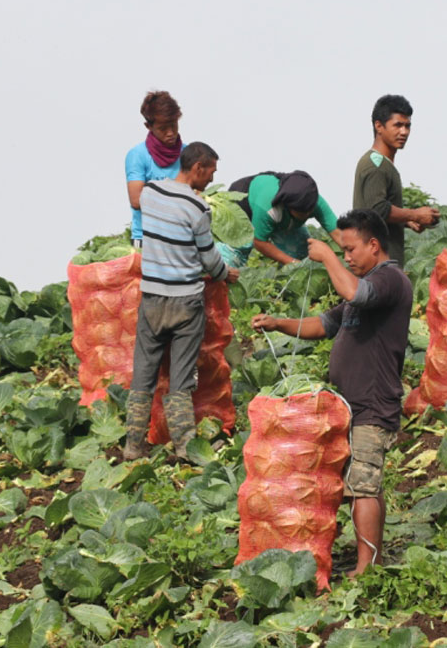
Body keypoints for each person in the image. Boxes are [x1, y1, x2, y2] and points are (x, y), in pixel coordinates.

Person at [251, 209, 411, 576]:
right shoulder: (365, 289)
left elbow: (352, 291)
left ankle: (365, 569)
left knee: (362, 487)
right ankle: (370, 560)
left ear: (374, 245)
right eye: (344, 250)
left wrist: (326, 257)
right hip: (349, 405)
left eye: (351, 249)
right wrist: (278, 324)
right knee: (363, 484)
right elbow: (323, 325)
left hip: (372, 403)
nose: (348, 257)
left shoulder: (389, 280)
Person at [124, 142, 240, 462]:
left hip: (152, 299)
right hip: (186, 303)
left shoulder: (149, 194)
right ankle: (184, 446)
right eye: (211, 171)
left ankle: (133, 446)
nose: (211, 178)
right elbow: (208, 259)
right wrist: (225, 274)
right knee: (181, 379)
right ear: (198, 168)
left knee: (143, 376)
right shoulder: (197, 209)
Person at [352, 94, 441, 264]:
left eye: (408, 126)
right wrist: (415, 214)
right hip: (376, 265)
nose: (404, 132)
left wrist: (407, 221)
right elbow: (377, 209)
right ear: (379, 126)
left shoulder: (383, 164)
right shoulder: (375, 165)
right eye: (398, 125)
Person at [227, 171, 342, 265]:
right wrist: (291, 262)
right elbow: (260, 242)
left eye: (309, 211)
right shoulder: (268, 208)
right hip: (243, 203)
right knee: (236, 255)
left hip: (280, 216)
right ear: (288, 207)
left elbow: (338, 232)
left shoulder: (314, 201)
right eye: (302, 213)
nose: (307, 215)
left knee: (303, 253)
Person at [126, 91, 184, 247]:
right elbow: (137, 200)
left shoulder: (188, 154)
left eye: (173, 125)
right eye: (163, 128)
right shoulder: (137, 155)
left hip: (182, 240)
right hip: (147, 240)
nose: (170, 133)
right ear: (148, 126)